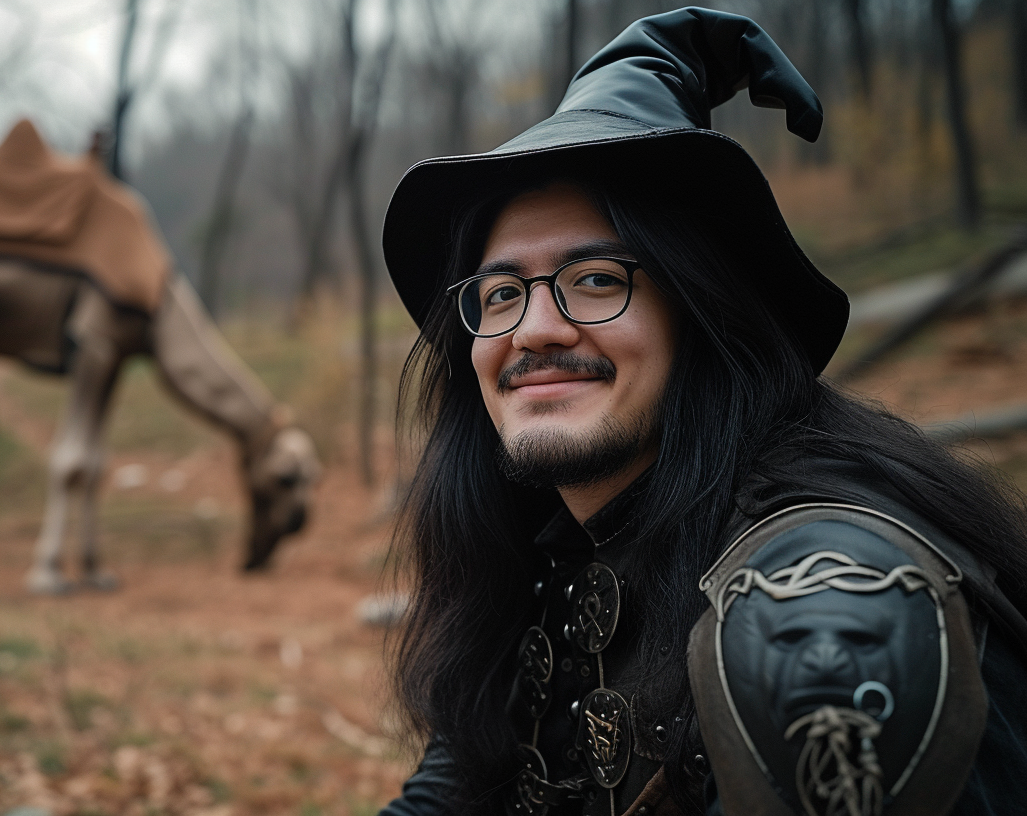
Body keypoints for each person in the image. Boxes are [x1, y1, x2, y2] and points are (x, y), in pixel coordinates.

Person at [375, 8, 1027, 816]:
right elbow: (459, 784)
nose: (536, 329)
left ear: (703, 315)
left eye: (596, 280)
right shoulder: (545, 542)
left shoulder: (823, 603)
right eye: (502, 293)